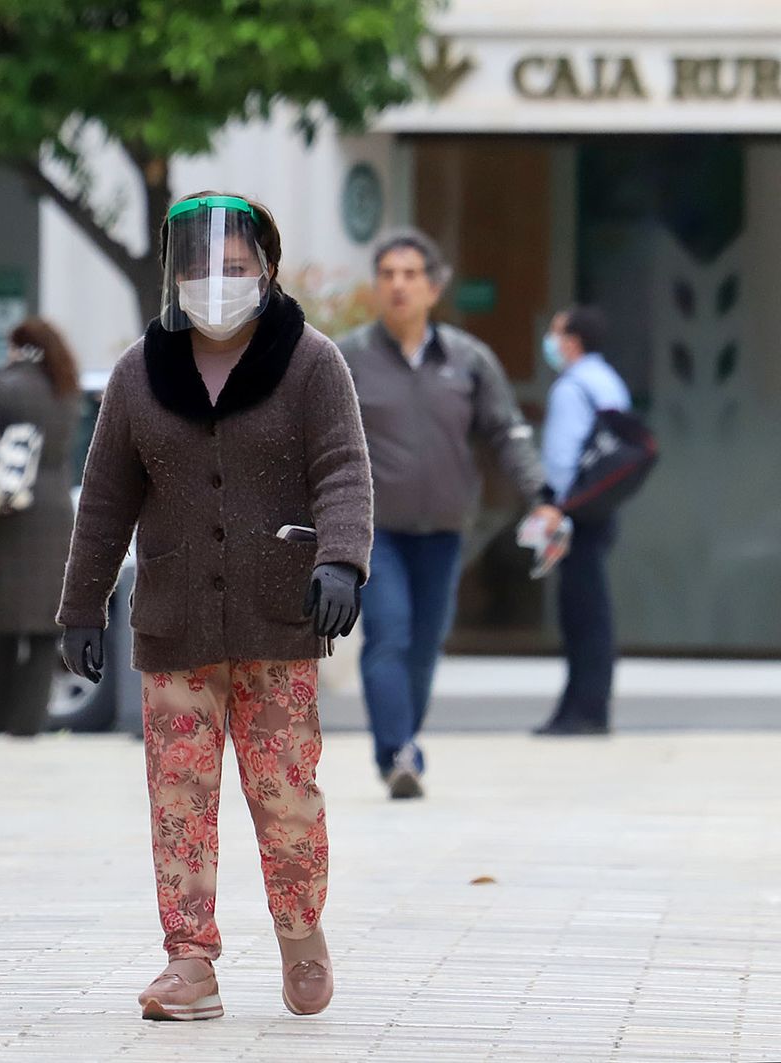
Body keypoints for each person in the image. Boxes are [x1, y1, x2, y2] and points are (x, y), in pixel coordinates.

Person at [58, 192, 373, 1021]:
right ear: (175, 273)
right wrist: (80, 606)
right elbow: (104, 499)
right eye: (199, 266)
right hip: (175, 623)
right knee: (179, 800)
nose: (217, 281)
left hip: (280, 615)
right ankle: (189, 962)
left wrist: (343, 561)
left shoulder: (311, 362)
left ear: (267, 270)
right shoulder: (140, 370)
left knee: (287, 793)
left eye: (235, 267)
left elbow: (344, 467)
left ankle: (301, 933)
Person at [338, 230, 562, 799]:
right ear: (376, 285)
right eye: (388, 274)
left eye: (410, 275)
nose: (398, 285)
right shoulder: (348, 359)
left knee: (424, 642)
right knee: (387, 635)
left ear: (434, 287)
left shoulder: (467, 360)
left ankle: (403, 743)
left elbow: (507, 433)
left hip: (442, 530)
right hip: (374, 530)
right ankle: (396, 753)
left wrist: (540, 493)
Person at [0, 317, 80, 737]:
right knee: (47, 630)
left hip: (7, 515)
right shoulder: (65, 389)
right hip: (55, 514)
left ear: (18, 347)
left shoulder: (4, 387)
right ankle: (28, 724)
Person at [532, 306, 631, 736]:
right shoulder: (608, 381)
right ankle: (585, 705)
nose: (551, 342)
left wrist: (551, 504)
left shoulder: (573, 388)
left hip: (575, 511)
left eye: (556, 333)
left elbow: (561, 456)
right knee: (593, 609)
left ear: (571, 340)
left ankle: (584, 711)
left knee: (582, 613)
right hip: (602, 506)